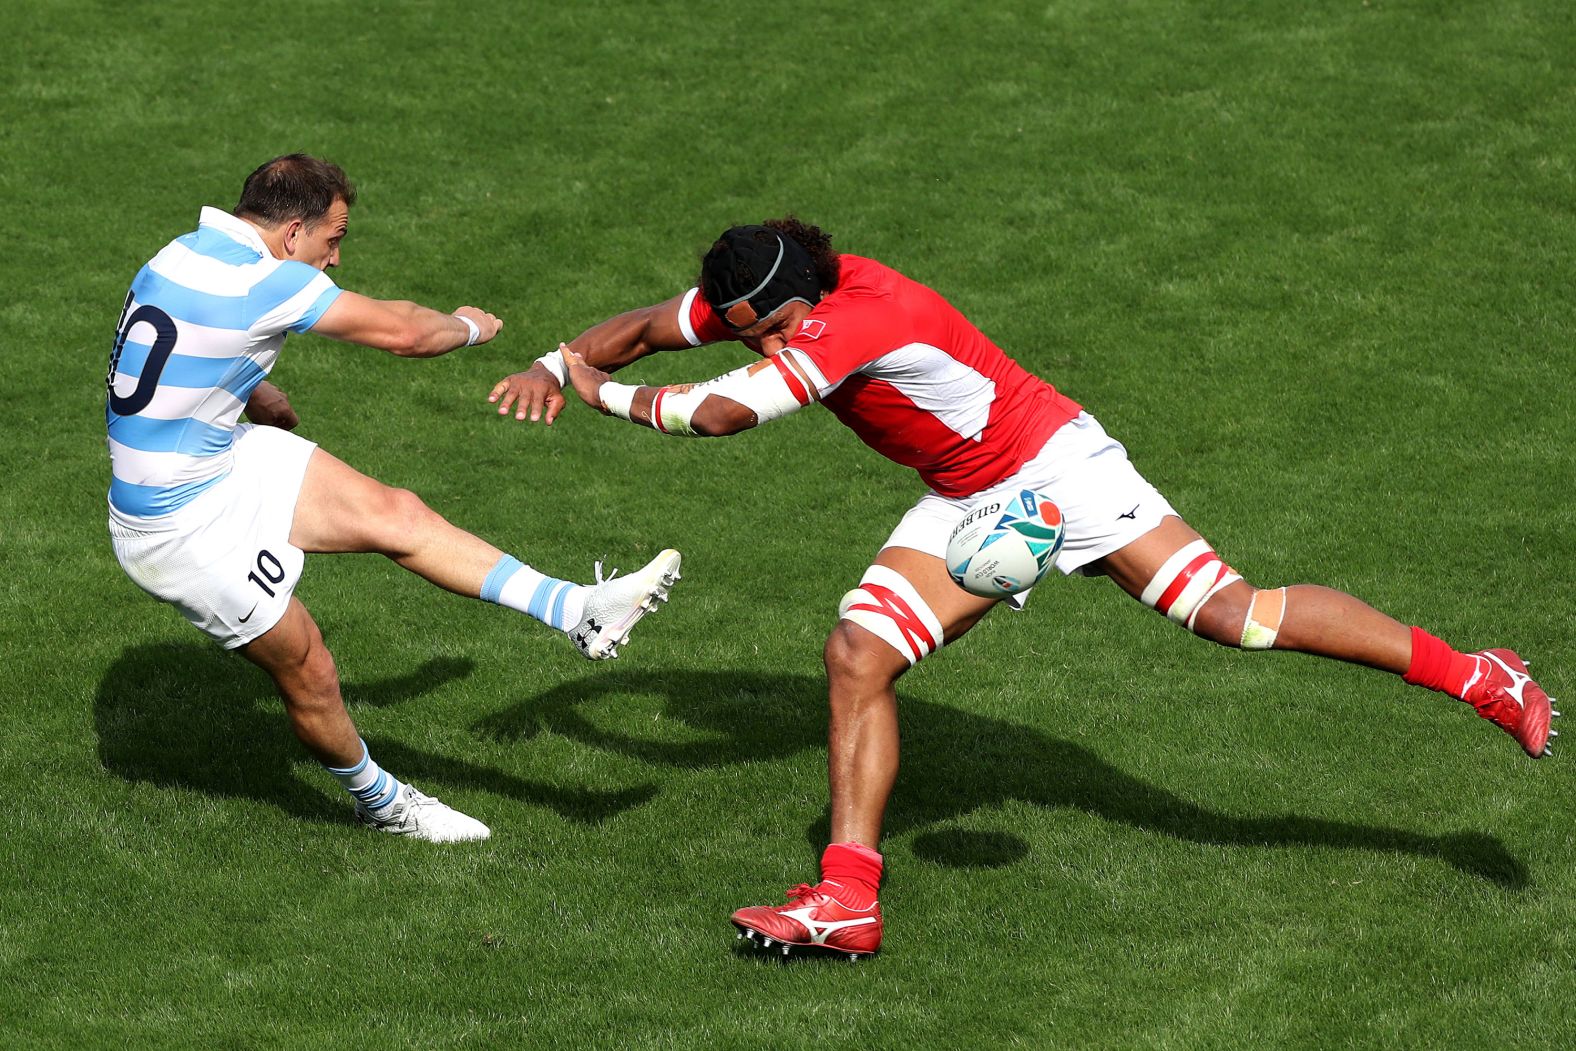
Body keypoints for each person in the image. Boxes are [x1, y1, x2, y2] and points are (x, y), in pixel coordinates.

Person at [487, 218, 1557, 956]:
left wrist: (600, 400)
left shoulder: (853, 314)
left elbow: (722, 414)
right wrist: (558, 356)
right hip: (965, 490)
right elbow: (647, 326)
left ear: (807, 296)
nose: (768, 342)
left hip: (1056, 472)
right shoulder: (764, 293)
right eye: (753, 329)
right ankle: (845, 901)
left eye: (774, 328)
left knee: (1236, 617)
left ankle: (1477, 673)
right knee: (857, 652)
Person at [106, 155, 682, 844]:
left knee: (397, 513)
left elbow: (161, 346)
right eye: (333, 239)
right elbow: (405, 330)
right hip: (176, 529)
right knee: (310, 668)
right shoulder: (269, 281)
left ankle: (579, 611)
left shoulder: (182, 254)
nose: (336, 257)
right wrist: (471, 325)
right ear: (293, 233)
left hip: (218, 456)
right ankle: (383, 802)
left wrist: (252, 388)